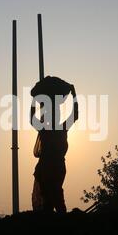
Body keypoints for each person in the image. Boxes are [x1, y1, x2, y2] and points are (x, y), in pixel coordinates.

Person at [31, 84, 79, 213]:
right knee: (52, 199)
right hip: (50, 168)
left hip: (52, 167)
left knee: (52, 198)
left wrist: (35, 99)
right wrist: (74, 95)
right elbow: (75, 114)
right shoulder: (53, 129)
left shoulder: (50, 129)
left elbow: (75, 114)